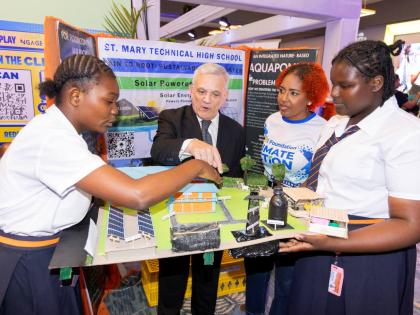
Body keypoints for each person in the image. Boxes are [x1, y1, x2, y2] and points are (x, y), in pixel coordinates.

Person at [0, 54, 221, 315]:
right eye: (108, 101)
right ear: (75, 96)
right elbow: (137, 195)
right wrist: (196, 165)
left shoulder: (63, 132)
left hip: (52, 252)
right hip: (30, 262)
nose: (115, 110)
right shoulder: (53, 139)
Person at [280, 40, 420, 315]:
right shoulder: (336, 123)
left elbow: (411, 225)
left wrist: (332, 242)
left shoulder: (405, 133)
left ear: (377, 83)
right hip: (321, 236)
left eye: (345, 86)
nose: (333, 94)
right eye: (333, 84)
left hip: (371, 253)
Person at [151, 63, 245, 315]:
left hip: (214, 219)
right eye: (201, 91)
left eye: (215, 94)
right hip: (176, 216)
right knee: (172, 281)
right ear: (190, 90)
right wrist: (190, 144)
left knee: (207, 280)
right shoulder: (171, 118)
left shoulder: (236, 131)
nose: (206, 100)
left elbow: (235, 177)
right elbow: (158, 151)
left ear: (225, 97)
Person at [245, 62, 329, 315]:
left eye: (293, 93)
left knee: (286, 282)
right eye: (281, 90)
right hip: (263, 208)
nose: (283, 98)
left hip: (295, 215)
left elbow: (318, 177)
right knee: (256, 275)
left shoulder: (322, 129)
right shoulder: (272, 120)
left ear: (310, 97)